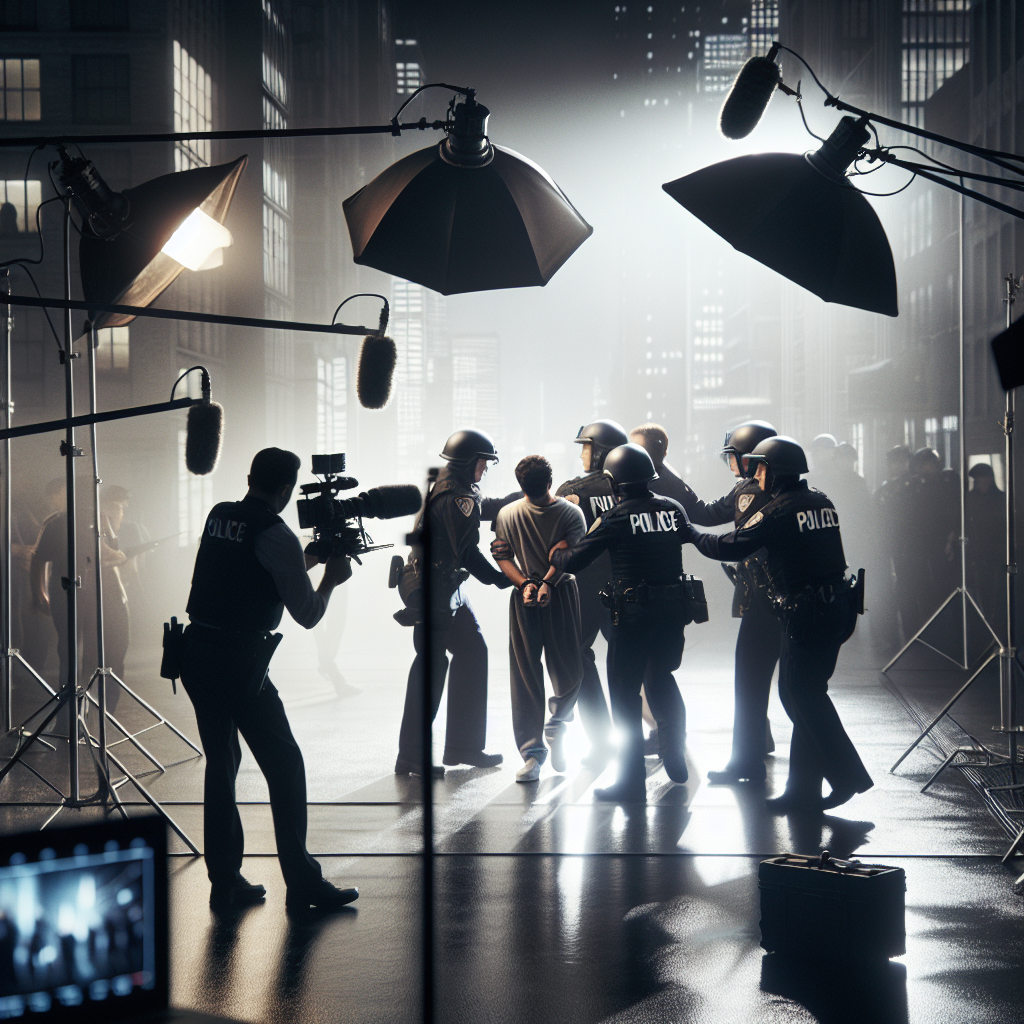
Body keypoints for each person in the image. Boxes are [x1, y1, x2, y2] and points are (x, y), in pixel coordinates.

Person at [179, 447, 358, 913]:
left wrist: (304, 560)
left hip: (195, 652)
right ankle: (302, 884)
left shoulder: (221, 515)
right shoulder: (278, 535)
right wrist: (331, 579)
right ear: (285, 489)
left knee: (222, 764)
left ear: (249, 477)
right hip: (240, 662)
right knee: (284, 764)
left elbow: (243, 572)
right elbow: (307, 614)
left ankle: (225, 880)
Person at [684, 436, 873, 813]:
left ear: (774, 471)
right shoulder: (821, 500)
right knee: (800, 692)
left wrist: (689, 534)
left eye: (761, 467)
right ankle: (803, 790)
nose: (756, 474)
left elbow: (731, 545)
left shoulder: (780, 510)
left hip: (809, 613)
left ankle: (848, 776)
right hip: (835, 609)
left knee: (801, 694)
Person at [550, 443, 691, 803]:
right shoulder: (672, 510)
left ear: (614, 481)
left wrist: (557, 552)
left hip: (633, 619)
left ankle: (631, 782)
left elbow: (575, 559)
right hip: (673, 616)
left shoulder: (617, 516)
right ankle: (674, 752)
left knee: (626, 700)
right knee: (663, 680)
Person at [395, 429, 513, 779]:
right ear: (467, 462)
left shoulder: (451, 486)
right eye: (483, 462)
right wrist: (500, 578)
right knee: (430, 669)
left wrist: (517, 497)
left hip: (445, 587)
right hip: (435, 590)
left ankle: (463, 747)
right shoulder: (454, 496)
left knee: (473, 652)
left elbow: (479, 507)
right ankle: (411, 757)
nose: (485, 469)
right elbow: (468, 552)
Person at [493, 456, 587, 782]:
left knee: (560, 671)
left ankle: (554, 726)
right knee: (538, 673)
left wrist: (539, 582)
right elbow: (504, 554)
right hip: (536, 594)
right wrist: (530, 584)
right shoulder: (563, 512)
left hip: (550, 592)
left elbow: (568, 555)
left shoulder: (566, 513)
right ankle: (534, 751)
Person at [703, 420, 782, 784]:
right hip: (788, 600)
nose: (731, 465)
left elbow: (731, 537)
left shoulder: (752, 493)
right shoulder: (794, 492)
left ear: (751, 459)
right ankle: (760, 743)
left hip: (766, 599)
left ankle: (745, 760)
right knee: (795, 691)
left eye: (734, 457)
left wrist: (696, 537)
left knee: (749, 679)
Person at [549, 420, 627, 765]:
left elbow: (554, 532)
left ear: (601, 454)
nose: (583, 453)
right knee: (630, 662)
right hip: (624, 586)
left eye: (587, 447)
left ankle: (601, 739)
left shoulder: (574, 490)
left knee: (578, 659)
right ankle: (644, 740)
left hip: (583, 588)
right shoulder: (635, 489)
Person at [965, 462, 1004, 625]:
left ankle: (997, 620)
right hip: (977, 554)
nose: (983, 482)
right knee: (981, 590)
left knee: (999, 590)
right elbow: (964, 524)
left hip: (998, 553)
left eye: (986, 479)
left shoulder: (1001, 498)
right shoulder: (969, 500)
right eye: (979, 480)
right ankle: (985, 621)